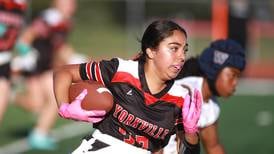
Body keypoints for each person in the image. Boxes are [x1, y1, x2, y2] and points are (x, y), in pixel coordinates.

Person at [53, 19, 202, 153]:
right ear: (151, 50)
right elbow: (63, 72)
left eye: (184, 50)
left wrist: (191, 133)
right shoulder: (121, 71)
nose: (182, 57)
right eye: (174, 48)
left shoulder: (181, 97)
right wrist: (64, 107)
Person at [11, 0, 77, 150]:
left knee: (55, 97)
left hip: (46, 68)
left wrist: (74, 58)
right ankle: (11, 96)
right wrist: (25, 51)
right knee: (36, 104)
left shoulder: (65, 22)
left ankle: (39, 134)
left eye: (72, 4)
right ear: (57, 4)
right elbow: (28, 35)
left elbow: (59, 45)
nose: (71, 7)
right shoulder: (49, 18)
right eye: (67, 4)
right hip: (34, 67)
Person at [162, 39, 246, 154]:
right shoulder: (183, 91)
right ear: (215, 70)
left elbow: (213, 147)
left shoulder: (211, 106)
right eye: (232, 75)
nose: (236, 82)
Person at [0, 0, 27, 125]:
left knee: (3, 93)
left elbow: (16, 31)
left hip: (4, 57)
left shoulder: (21, 6)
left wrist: (23, 48)